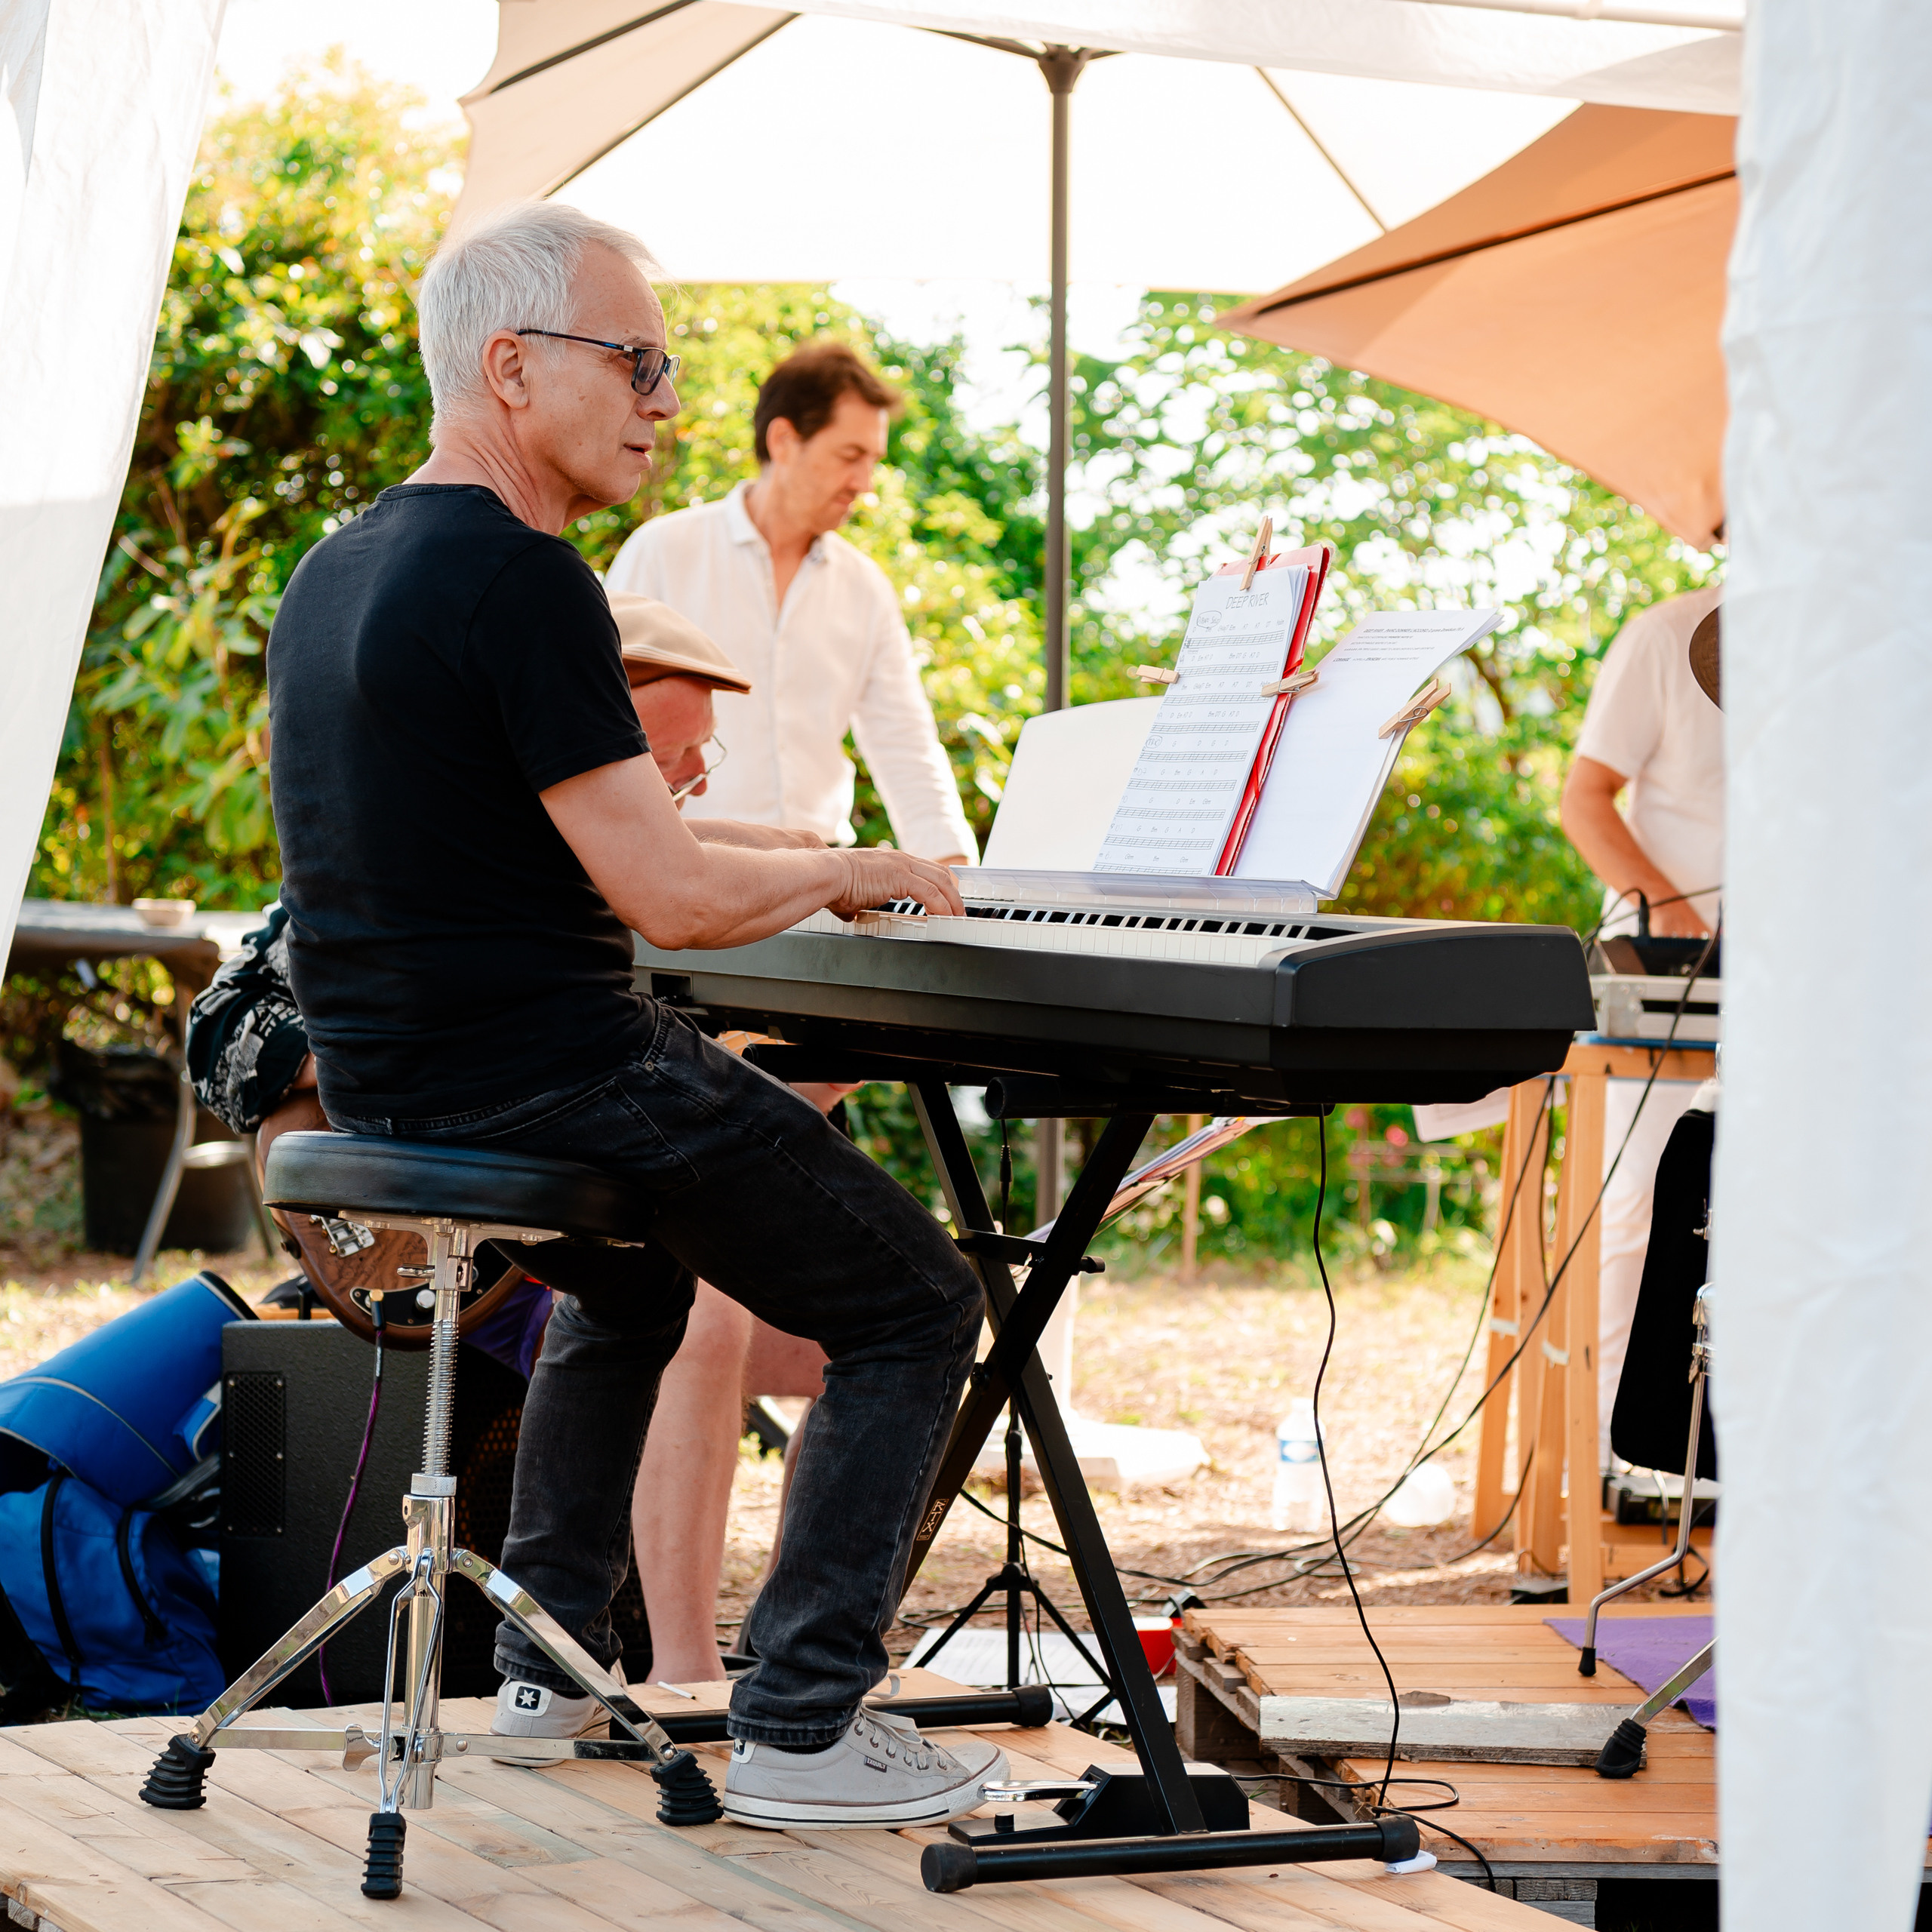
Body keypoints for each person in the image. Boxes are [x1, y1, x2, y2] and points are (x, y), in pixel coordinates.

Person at [266, 200, 1001, 1830]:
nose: (666, 402)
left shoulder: (345, 565)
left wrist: (807, 848)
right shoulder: (526, 577)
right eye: (637, 362)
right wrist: (846, 873)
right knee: (916, 1303)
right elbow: (666, 899)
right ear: (511, 367)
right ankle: (804, 1722)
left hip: (393, 1081)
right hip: (553, 1075)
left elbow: (588, 832)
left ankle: (543, 1665)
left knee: (637, 1269)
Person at [607, 341, 977, 1681]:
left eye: (874, 460)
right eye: (847, 455)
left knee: (832, 1318)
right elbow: (601, 750)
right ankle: (684, 1663)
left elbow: (911, 756)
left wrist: (962, 888)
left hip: (814, 946)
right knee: (705, 1311)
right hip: (686, 941)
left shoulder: (860, 587)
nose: (862, 481)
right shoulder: (664, 551)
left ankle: (785, 1641)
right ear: (781, 437)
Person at [1560, 583, 1723, 1463]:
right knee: (1638, 1204)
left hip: (1805, 969)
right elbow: (1583, 799)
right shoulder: (1663, 636)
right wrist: (1672, 912)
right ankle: (1610, 1462)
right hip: (1670, 970)